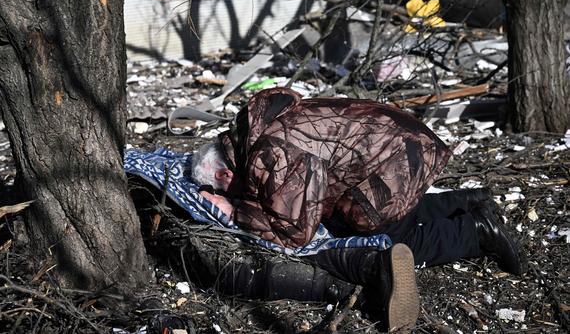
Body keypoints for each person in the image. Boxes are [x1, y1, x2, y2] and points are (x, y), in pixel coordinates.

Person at [191, 87, 524, 331]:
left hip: (399, 160)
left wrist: (236, 214)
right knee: (364, 212)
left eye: (227, 189)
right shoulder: (260, 125)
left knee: (383, 233)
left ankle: (474, 233)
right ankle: (467, 202)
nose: (233, 194)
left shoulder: (270, 153)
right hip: (404, 144)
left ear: (224, 173)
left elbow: (294, 233)